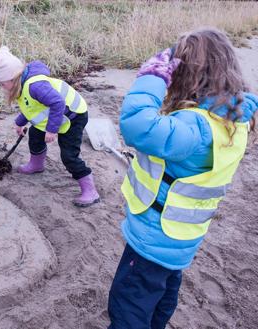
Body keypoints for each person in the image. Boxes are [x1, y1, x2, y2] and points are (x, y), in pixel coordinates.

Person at [108, 27, 258, 328]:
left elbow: (138, 126)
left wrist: (152, 77)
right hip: (182, 239)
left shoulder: (195, 127)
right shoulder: (233, 119)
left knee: (128, 303)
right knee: (162, 293)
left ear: (187, 74)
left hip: (153, 236)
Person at [0, 46, 100, 207]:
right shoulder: (22, 86)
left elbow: (58, 103)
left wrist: (51, 130)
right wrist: (19, 123)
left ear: (12, 78)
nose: (1, 87)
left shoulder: (35, 86)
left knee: (69, 155)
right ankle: (37, 164)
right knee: (35, 135)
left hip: (73, 116)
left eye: (2, 84)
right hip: (57, 115)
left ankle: (90, 190)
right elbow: (33, 108)